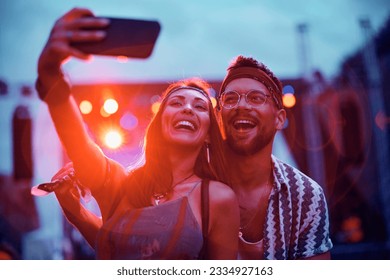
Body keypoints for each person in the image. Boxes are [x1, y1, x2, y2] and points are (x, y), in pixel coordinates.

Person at [35, 7, 239, 260]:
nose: (187, 108)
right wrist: (50, 73)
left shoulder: (217, 198)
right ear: (159, 124)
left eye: (199, 107)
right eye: (175, 103)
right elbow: (79, 144)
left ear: (209, 134)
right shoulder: (121, 184)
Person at [216, 55, 333, 259]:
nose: (241, 105)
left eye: (255, 98)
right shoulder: (196, 185)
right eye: (231, 98)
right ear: (218, 117)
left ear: (279, 119)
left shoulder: (305, 196)